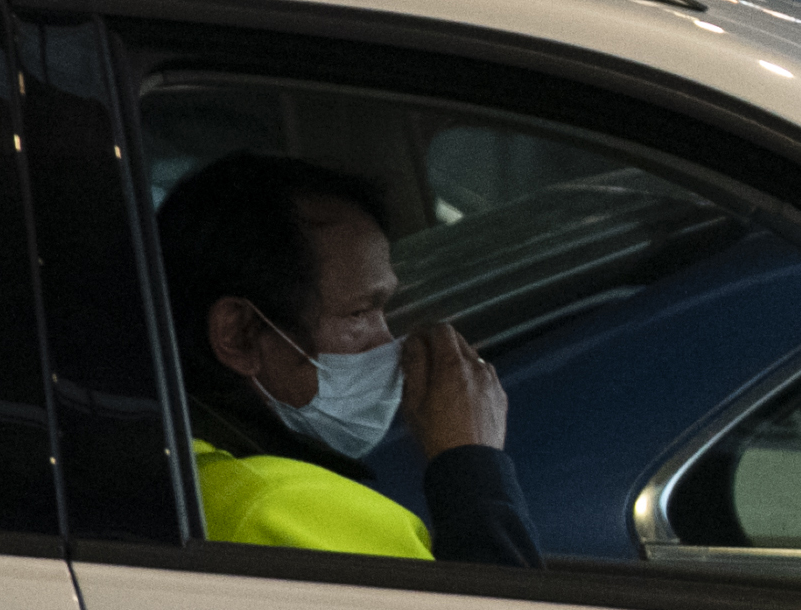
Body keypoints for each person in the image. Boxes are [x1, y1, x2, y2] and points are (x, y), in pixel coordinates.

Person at [156, 152, 534, 564]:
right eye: (358, 314)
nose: (388, 344)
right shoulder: (284, 506)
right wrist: (471, 464)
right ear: (241, 335)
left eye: (383, 312)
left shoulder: (190, 467)